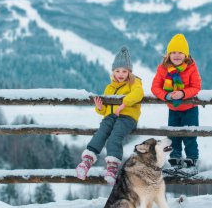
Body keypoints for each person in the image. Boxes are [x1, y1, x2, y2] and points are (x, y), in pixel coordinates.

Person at [76, 46, 144, 185]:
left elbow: (138, 94)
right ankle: (87, 161)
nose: (121, 74)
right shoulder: (110, 87)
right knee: (101, 133)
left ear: (129, 72)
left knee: (114, 138)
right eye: (117, 71)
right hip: (110, 117)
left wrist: (124, 104)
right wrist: (100, 107)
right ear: (113, 71)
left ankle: (112, 168)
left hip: (127, 117)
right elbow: (104, 110)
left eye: (124, 71)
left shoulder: (134, 82)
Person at [151, 33, 202, 170]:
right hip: (173, 109)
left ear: (186, 55)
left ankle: (191, 162)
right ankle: (175, 161)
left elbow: (196, 86)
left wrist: (183, 93)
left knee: (189, 135)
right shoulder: (163, 68)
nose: (177, 55)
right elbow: (155, 87)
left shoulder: (191, 67)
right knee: (173, 136)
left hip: (190, 108)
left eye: (180, 52)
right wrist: (166, 96)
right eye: (173, 52)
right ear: (168, 54)